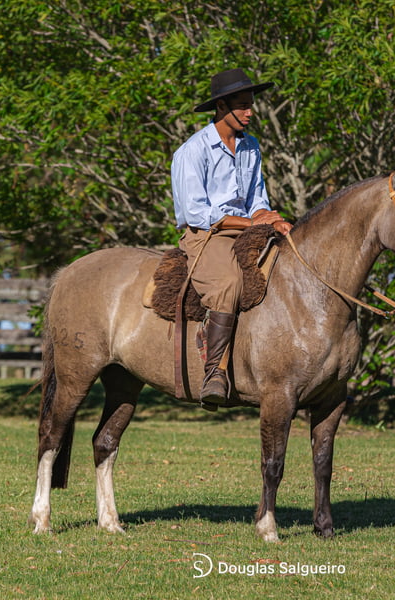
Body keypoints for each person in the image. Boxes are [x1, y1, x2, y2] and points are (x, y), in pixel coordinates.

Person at [171, 68, 292, 410]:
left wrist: (267, 216)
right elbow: (196, 213)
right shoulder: (191, 152)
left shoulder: (251, 147)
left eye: (251, 104)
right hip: (206, 235)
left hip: (245, 227)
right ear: (221, 106)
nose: (250, 112)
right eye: (242, 105)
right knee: (227, 282)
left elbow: (257, 198)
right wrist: (251, 220)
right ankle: (215, 373)